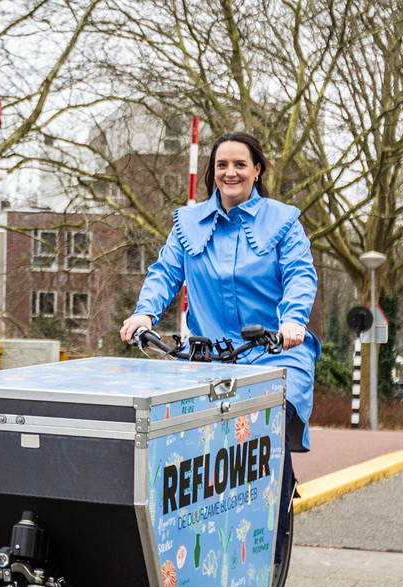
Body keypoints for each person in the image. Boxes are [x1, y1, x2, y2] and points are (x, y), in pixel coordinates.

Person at [119, 131, 320, 452]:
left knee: (269, 427)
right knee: (180, 437)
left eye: (240, 164)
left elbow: (300, 273)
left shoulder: (284, 220)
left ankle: (278, 493)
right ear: (213, 172)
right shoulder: (188, 222)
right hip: (207, 357)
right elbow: (166, 271)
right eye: (222, 164)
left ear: (257, 170)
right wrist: (144, 312)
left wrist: (293, 321)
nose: (231, 172)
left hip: (276, 350)